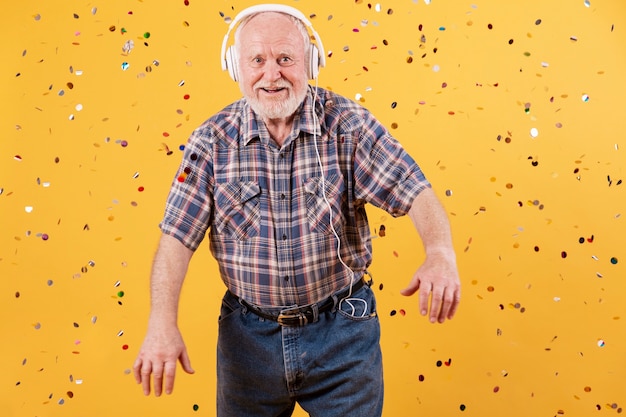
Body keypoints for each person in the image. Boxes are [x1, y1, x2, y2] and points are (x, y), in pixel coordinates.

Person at [133, 4, 461, 416]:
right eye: (257, 60)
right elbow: (176, 238)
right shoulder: (212, 141)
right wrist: (162, 322)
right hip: (247, 340)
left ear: (310, 62)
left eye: (285, 59)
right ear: (236, 66)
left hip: (343, 332)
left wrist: (440, 254)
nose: (272, 75)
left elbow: (414, 189)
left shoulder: (348, 125)